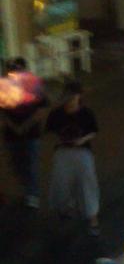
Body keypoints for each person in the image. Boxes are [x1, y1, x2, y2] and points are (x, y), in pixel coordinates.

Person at [46, 81, 100, 236]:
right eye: (68, 96)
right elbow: (49, 133)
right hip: (63, 151)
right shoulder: (56, 114)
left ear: (79, 96)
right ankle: (63, 208)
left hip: (82, 151)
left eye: (74, 96)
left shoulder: (86, 113)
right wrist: (60, 139)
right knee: (61, 182)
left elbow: (93, 131)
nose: (71, 100)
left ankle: (92, 217)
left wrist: (82, 140)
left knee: (87, 183)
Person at [3, 58, 45, 208]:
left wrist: (24, 126)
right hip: (12, 134)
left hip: (30, 133)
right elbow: (2, 113)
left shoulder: (35, 86)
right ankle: (27, 188)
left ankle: (32, 194)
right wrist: (14, 127)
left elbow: (41, 109)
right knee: (17, 164)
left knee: (31, 164)